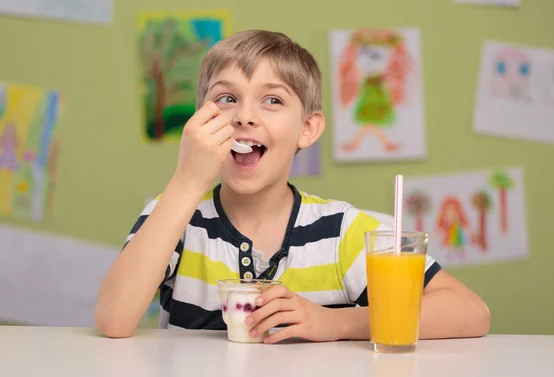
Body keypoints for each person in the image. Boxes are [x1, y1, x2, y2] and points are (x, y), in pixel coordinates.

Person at [94, 29, 490, 343]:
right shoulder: (175, 215)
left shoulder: (342, 232)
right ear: (202, 119)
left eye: (272, 101)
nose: (244, 116)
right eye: (227, 98)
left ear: (307, 128)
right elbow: (113, 318)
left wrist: (333, 323)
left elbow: (471, 312)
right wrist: (187, 181)